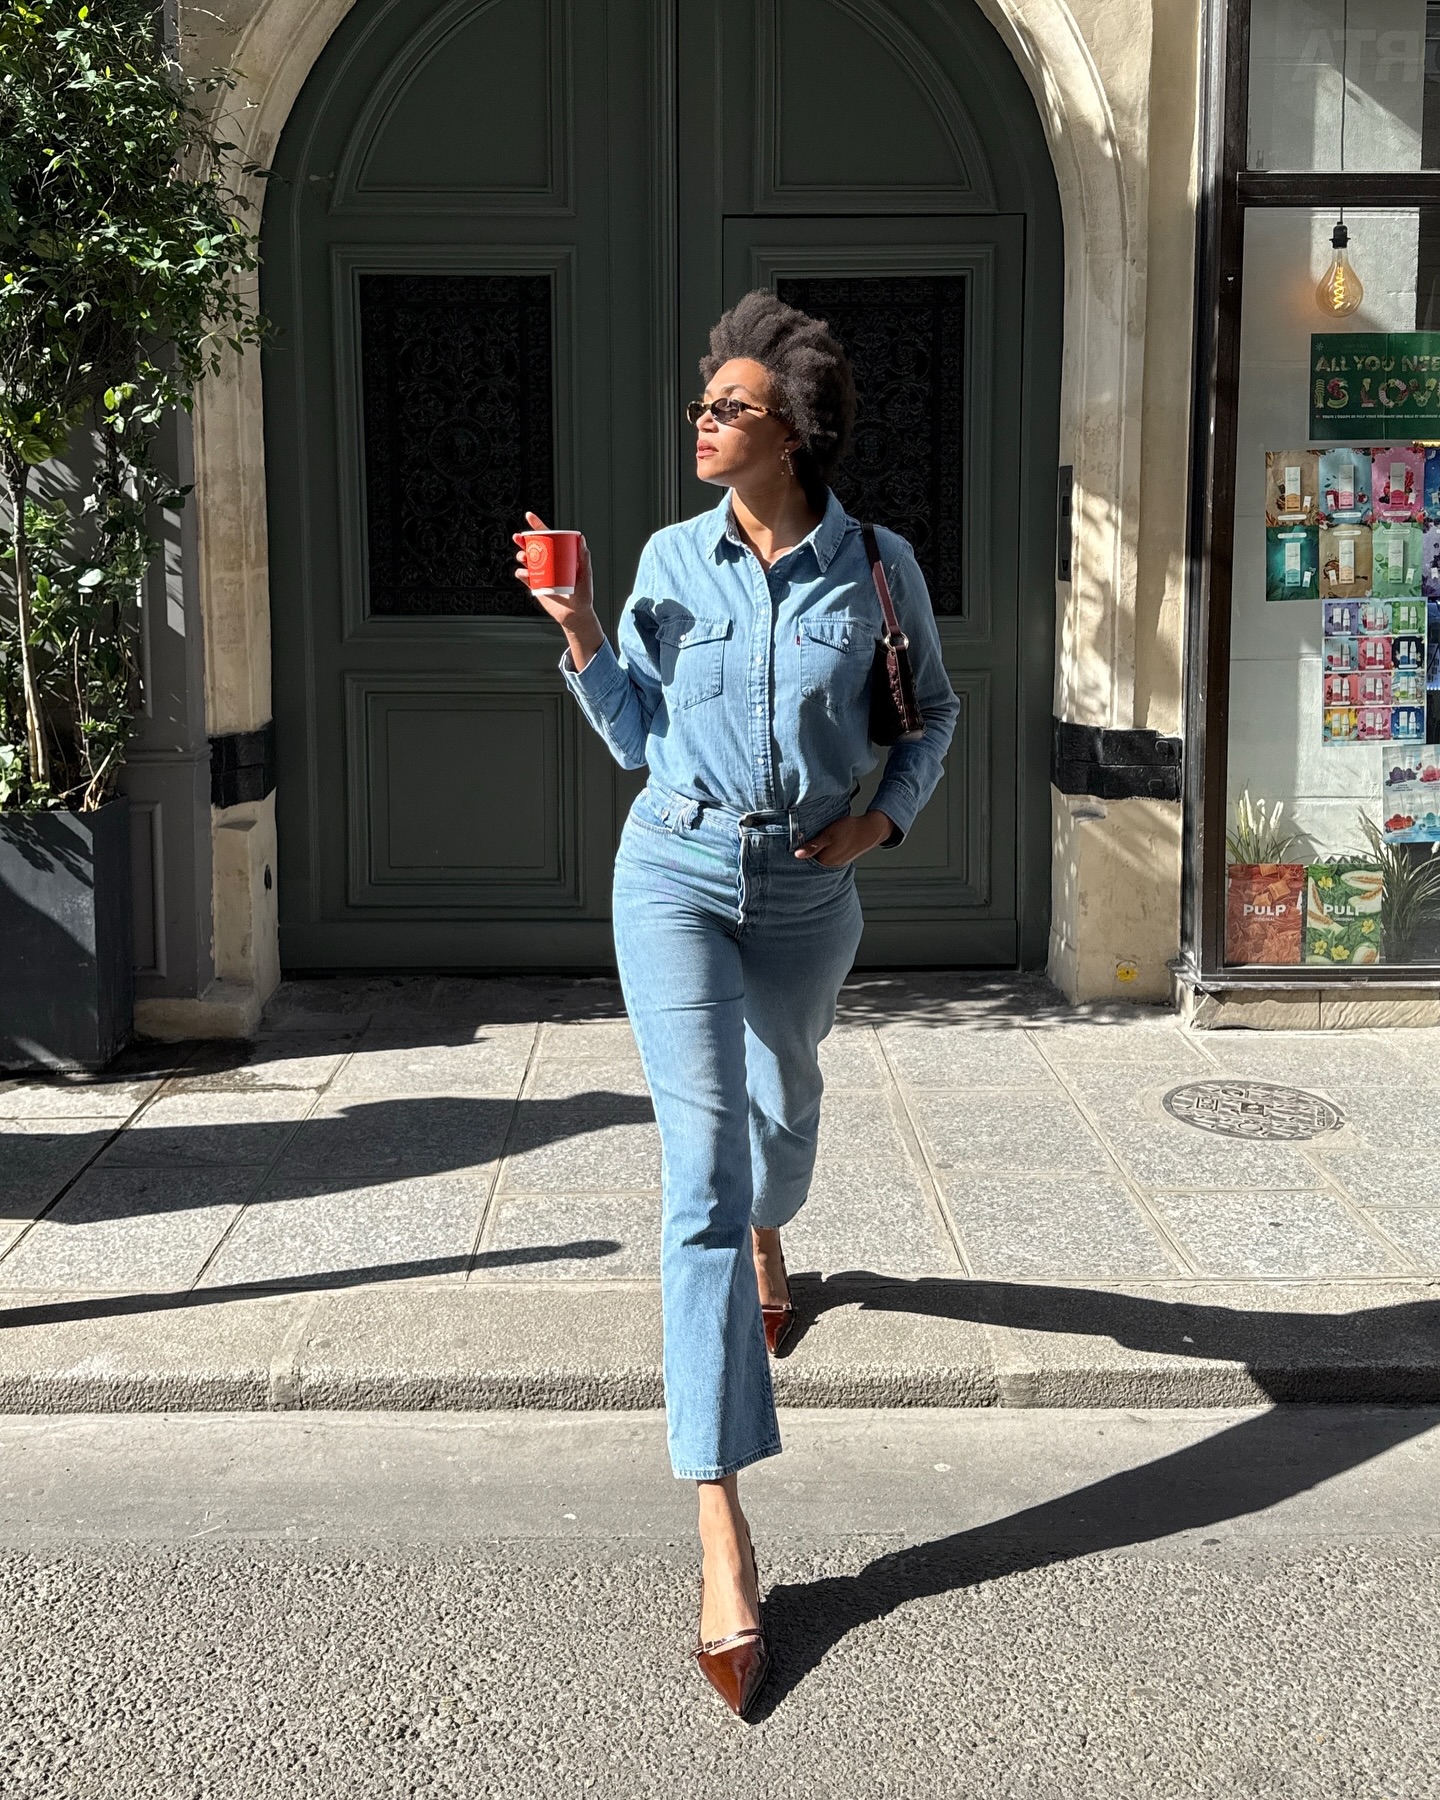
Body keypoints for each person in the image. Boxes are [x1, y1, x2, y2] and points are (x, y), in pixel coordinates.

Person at [515, 290, 960, 1718]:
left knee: (786, 1120)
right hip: (678, 875)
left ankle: (778, 1230)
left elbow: (932, 716)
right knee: (699, 1177)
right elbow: (639, 733)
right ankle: (722, 1527)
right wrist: (582, 626)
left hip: (809, 898)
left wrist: (882, 824)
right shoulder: (665, 560)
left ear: (795, 430)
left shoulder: (878, 569)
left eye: (729, 408)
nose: (702, 422)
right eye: (703, 404)